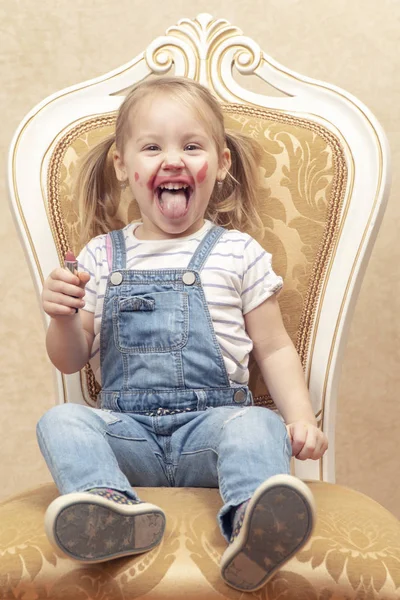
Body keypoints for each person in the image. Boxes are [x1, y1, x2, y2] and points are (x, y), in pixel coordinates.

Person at [38, 76, 328, 593]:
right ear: (123, 167)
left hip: (210, 436)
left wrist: (301, 418)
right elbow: (70, 359)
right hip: (132, 437)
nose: (172, 160)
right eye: (152, 147)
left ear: (220, 165)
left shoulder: (238, 253)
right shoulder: (99, 257)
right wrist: (62, 317)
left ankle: (252, 524)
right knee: (60, 420)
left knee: (257, 426)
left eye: (191, 146)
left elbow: (275, 346)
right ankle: (113, 510)